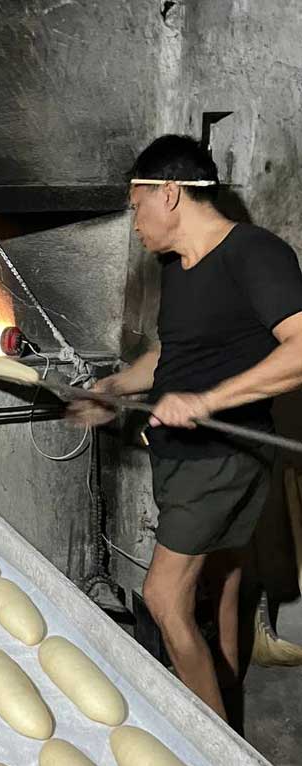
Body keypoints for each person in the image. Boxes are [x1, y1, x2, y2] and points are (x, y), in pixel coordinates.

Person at [68, 134, 302, 721]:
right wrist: (115, 387)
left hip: (220, 457)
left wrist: (208, 401)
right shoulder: (177, 268)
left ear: (169, 193)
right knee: (223, 582)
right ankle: (227, 711)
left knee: (163, 598)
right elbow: (173, 356)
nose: (134, 222)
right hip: (184, 458)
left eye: (136, 205)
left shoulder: (255, 253)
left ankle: (214, 752)